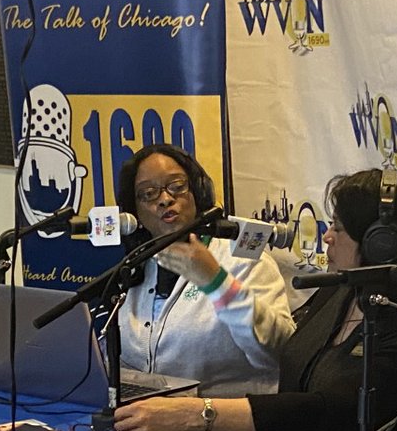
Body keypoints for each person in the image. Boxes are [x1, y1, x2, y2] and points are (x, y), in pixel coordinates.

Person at [114, 168, 397, 431]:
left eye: (339, 228)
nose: (327, 237)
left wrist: (197, 414)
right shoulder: (342, 291)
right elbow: (292, 359)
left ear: (382, 244)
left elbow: (334, 413)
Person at [115, 144, 294, 396]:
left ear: (197, 192)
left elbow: (280, 354)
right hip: (147, 414)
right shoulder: (135, 268)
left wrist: (216, 282)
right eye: (149, 193)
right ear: (135, 212)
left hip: (223, 415)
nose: (165, 199)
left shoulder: (243, 261)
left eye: (176, 186)